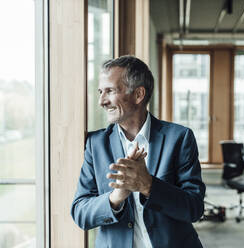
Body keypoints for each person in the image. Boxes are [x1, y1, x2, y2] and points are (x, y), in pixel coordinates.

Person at [71, 55, 205, 248]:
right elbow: (80, 213)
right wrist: (115, 197)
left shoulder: (180, 138)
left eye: (110, 91)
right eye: (100, 91)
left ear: (138, 94)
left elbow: (194, 208)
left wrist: (148, 185)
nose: (102, 101)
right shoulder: (95, 144)